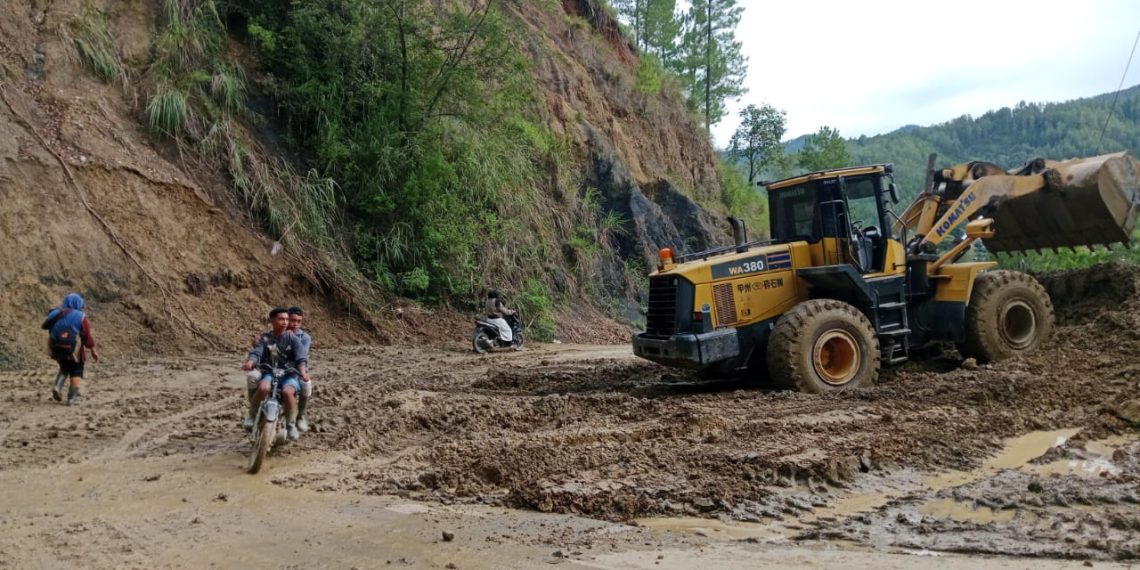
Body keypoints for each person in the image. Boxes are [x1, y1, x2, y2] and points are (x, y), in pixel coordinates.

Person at [241, 307, 309, 440]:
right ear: (272, 320)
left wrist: (303, 372)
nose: (285, 322)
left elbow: (301, 357)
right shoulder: (265, 338)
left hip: (289, 374)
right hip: (270, 372)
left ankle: (291, 424)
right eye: (281, 319)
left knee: (288, 392)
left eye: (286, 319)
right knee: (263, 388)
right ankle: (252, 415)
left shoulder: (293, 338)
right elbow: (257, 352)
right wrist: (250, 362)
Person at [41, 292, 99, 405]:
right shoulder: (81, 316)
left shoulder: (54, 313)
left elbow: (47, 327)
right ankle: (71, 399)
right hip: (73, 350)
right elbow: (86, 336)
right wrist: (92, 349)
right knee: (76, 370)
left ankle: (57, 386)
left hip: (55, 348)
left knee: (65, 365)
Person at [286, 306, 314, 433]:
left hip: (297, 369)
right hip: (277, 367)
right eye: (293, 320)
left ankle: (301, 416)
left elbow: (301, 356)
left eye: (298, 321)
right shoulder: (277, 332)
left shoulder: (305, 338)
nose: (295, 324)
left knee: (306, 384)